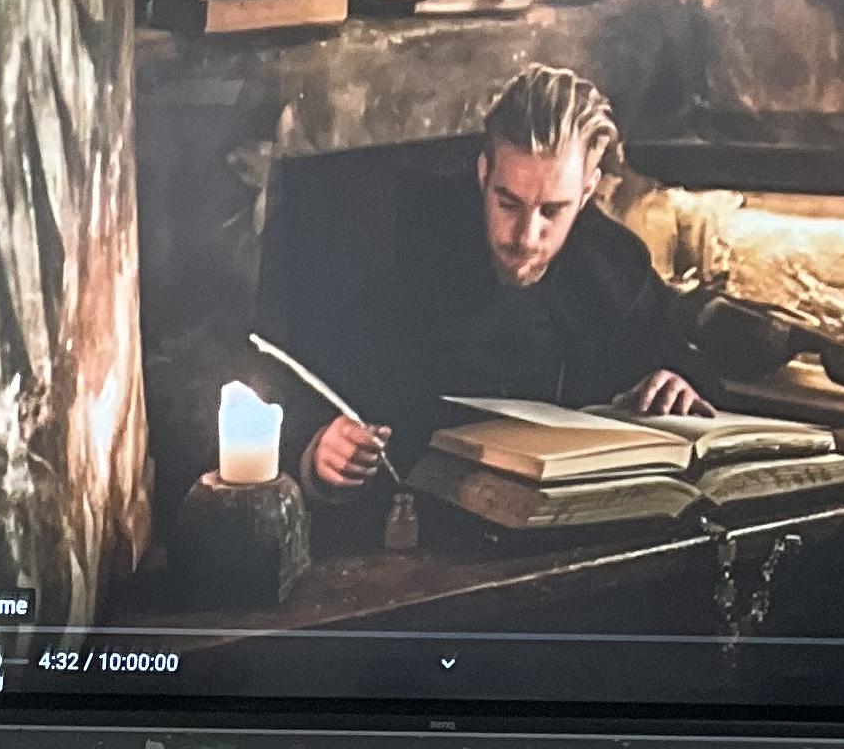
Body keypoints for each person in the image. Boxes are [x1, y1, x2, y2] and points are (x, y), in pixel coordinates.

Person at [299, 63, 709, 496]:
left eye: (552, 210)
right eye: (508, 204)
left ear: (587, 190)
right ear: (484, 173)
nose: (526, 237)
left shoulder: (615, 265)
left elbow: (684, 365)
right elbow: (310, 385)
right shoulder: (406, 244)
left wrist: (678, 381)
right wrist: (319, 449)